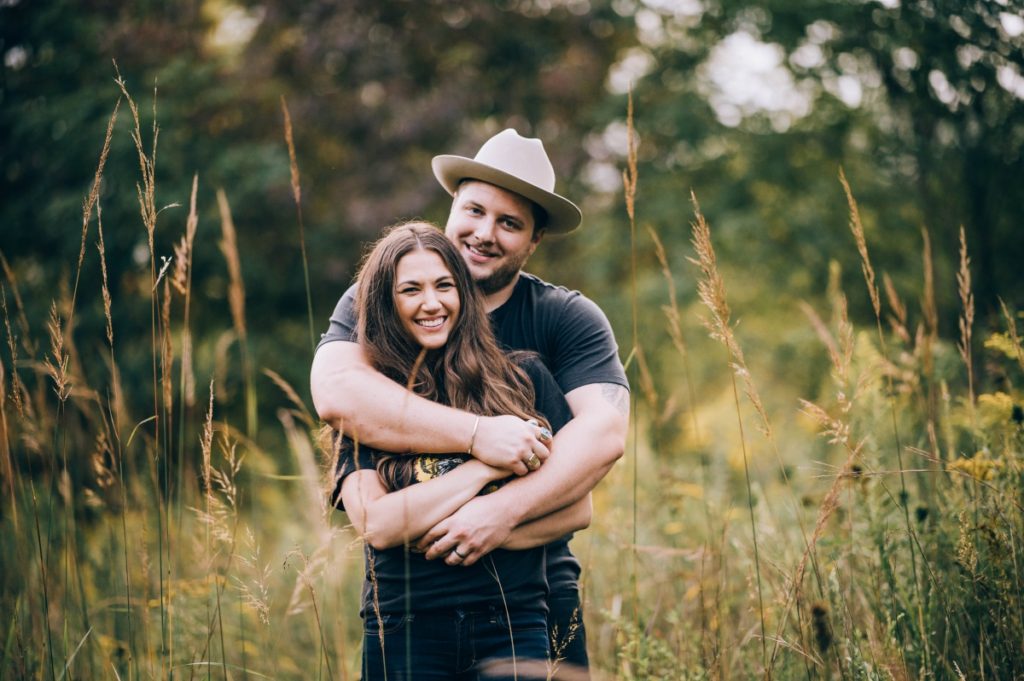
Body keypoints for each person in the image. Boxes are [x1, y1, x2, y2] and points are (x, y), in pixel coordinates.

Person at [312, 129, 629, 675]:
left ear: (533, 241)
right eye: (475, 210)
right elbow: (338, 392)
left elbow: (603, 434)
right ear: (451, 206)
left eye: (510, 223)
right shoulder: (380, 303)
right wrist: (482, 442)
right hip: (413, 612)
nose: (485, 233)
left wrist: (498, 513)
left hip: (534, 593)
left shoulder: (562, 320)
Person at [333, 222, 588, 678]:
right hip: (405, 626)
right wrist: (482, 469)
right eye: (410, 289)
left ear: (463, 294)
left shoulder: (523, 380)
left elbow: (576, 509)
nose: (431, 303)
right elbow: (379, 523)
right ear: (384, 303)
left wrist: (491, 527)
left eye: (444, 286)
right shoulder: (369, 406)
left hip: (512, 621)